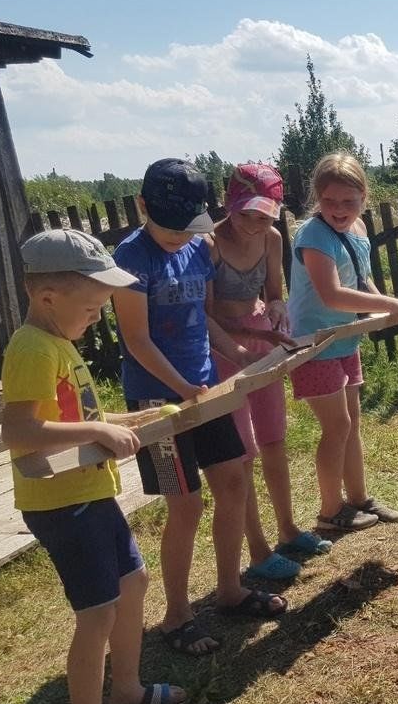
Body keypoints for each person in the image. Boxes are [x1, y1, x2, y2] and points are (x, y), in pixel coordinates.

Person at [2, 230, 187, 704]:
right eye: (90, 307)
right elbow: (20, 430)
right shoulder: (32, 348)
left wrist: (124, 423)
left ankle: (126, 692)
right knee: (97, 613)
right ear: (48, 298)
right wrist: (99, 430)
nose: (97, 318)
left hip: (90, 494)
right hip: (62, 505)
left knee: (133, 584)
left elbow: (77, 419)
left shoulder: (59, 345)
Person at [113, 158, 287, 657]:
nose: (176, 238)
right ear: (143, 206)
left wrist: (236, 354)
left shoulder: (198, 248)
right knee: (185, 505)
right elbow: (138, 341)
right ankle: (177, 616)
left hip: (202, 390)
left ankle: (230, 590)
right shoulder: (130, 259)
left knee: (234, 478)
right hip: (156, 402)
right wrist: (183, 388)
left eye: (185, 228)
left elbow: (201, 320)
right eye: (168, 228)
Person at [206, 164, 331, 580]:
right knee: (242, 453)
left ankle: (288, 530)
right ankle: (258, 552)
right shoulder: (209, 244)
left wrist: (276, 310)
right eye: (247, 215)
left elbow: (274, 292)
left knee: (274, 438)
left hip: (266, 343)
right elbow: (206, 316)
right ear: (230, 204)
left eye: (265, 217)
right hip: (225, 352)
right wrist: (246, 338)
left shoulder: (273, 238)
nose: (255, 226)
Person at [287, 151, 398, 531]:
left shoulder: (357, 232)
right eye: (329, 201)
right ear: (316, 199)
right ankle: (330, 511)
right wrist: (387, 303)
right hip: (315, 344)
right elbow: (332, 295)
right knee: (337, 426)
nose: (339, 210)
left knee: (352, 422)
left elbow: (361, 281)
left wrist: (380, 311)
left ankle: (359, 498)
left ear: (365, 197)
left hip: (345, 339)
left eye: (348, 202)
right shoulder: (313, 235)